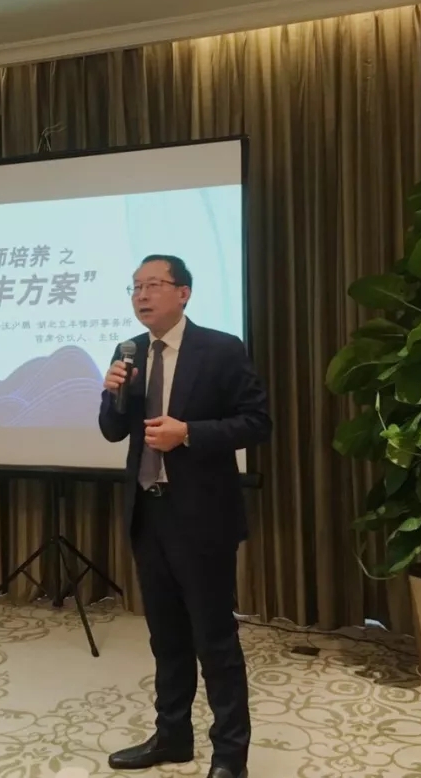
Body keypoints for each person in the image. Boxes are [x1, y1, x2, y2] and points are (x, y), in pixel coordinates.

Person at [98, 255, 272, 778]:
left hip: (202, 518)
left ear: (184, 292)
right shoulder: (128, 352)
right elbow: (113, 430)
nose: (141, 295)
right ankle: (172, 736)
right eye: (135, 287)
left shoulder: (220, 349)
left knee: (214, 641)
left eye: (153, 284)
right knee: (166, 638)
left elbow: (257, 422)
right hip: (148, 513)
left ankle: (230, 757)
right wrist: (112, 393)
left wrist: (189, 433)